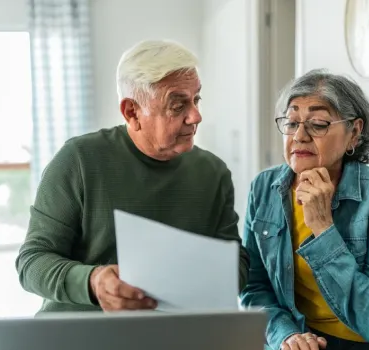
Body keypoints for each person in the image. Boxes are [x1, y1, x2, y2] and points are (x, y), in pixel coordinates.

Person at [16, 39, 249, 313]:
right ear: (132, 112)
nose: (195, 116)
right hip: (81, 333)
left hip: (174, 333)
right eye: (178, 105)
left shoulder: (213, 173)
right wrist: (92, 282)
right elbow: (31, 262)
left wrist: (211, 275)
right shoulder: (78, 160)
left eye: (196, 99)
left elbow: (236, 266)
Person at [240, 69, 369, 350]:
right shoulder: (263, 188)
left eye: (318, 123)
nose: (299, 135)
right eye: (291, 121)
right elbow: (255, 287)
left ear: (354, 133)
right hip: (309, 341)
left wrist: (323, 228)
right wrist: (285, 335)